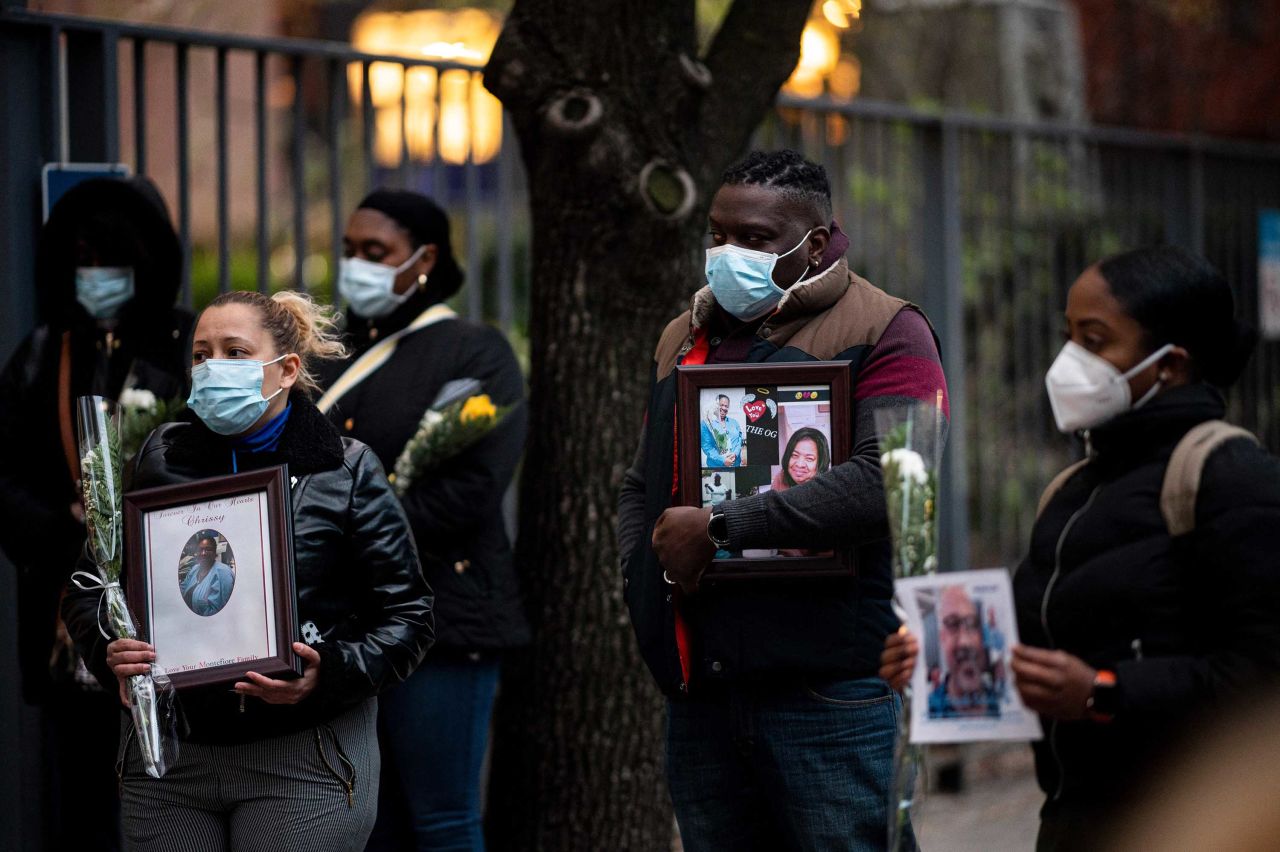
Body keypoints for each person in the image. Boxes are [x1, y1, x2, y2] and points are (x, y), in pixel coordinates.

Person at [880, 246, 1280, 851]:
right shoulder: (1072, 491)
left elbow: (1260, 679)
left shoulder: (1230, 476)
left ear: (1169, 365)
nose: (1068, 361)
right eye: (1069, 335)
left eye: (1094, 341)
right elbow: (1034, 656)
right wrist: (933, 666)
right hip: (1073, 822)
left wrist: (1102, 691)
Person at [617, 149, 948, 851]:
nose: (727, 253)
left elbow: (893, 480)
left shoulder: (889, 329)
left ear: (816, 242)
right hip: (703, 691)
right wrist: (641, 574)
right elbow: (644, 483)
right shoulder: (685, 338)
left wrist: (723, 525)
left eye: (755, 239)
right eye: (717, 234)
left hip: (830, 691)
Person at [62, 290, 435, 852]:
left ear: (285, 370)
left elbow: (409, 615)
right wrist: (111, 648)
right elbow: (89, 588)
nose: (213, 368)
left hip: (303, 759)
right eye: (201, 355)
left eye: (235, 353)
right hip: (170, 762)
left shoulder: (345, 469)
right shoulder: (156, 461)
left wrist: (327, 672)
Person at [318, 189, 528, 852]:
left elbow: (470, 491)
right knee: (367, 823)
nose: (358, 266)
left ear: (425, 259)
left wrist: (345, 533)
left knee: (441, 819)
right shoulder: (331, 354)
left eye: (376, 252)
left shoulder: (474, 351)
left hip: (446, 620)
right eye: (350, 251)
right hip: (351, 628)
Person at [0, 175, 192, 851]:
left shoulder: (188, 346)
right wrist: (65, 525)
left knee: (173, 798)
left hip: (172, 614)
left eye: (111, 263)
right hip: (69, 617)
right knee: (81, 802)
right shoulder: (47, 349)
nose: (95, 278)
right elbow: (6, 474)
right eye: (82, 264)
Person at [926, 585, 998, 718]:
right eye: (952, 624)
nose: (964, 642)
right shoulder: (929, 712)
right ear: (942, 638)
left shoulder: (1003, 705)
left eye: (972, 624)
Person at [180, 532, 235, 617]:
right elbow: (182, 589)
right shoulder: (195, 569)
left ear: (214, 552)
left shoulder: (223, 573)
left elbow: (222, 613)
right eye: (200, 550)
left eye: (208, 549)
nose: (203, 553)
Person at [769, 426, 830, 491]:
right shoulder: (781, 478)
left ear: (821, 462)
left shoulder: (829, 487)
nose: (799, 464)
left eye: (809, 458)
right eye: (794, 455)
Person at [700, 393, 743, 466]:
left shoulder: (735, 422)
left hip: (735, 465)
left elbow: (739, 440)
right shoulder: (706, 423)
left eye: (726, 406)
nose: (723, 408)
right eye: (721, 405)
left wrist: (735, 453)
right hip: (716, 466)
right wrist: (722, 460)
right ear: (715, 405)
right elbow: (706, 446)